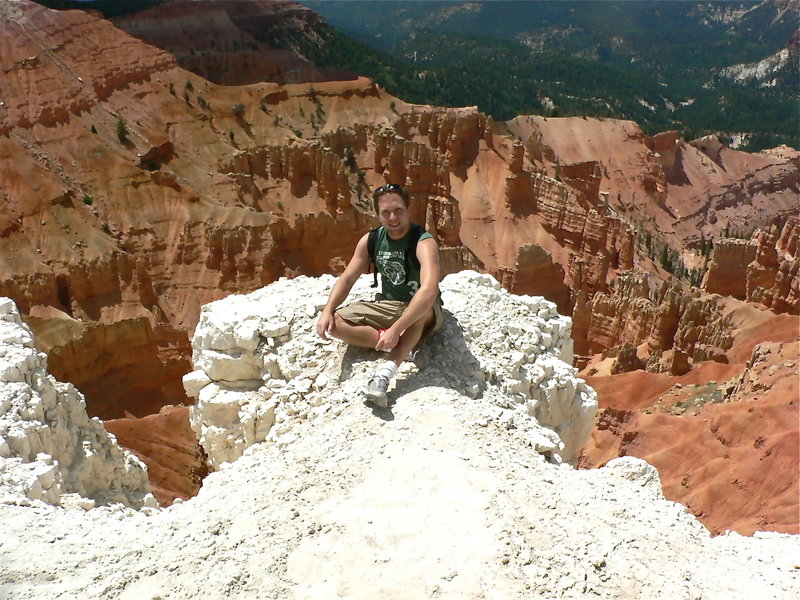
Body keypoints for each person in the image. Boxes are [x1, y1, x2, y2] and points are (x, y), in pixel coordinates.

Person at [316, 183, 443, 407]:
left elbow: (429, 290)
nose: (393, 217)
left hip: (422, 307)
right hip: (388, 305)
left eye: (398, 210)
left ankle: (384, 375)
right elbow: (347, 279)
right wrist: (327, 311)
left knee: (419, 313)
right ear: (378, 215)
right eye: (386, 212)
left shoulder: (423, 241)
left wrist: (396, 329)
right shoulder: (371, 240)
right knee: (334, 324)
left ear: (408, 210)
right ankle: (399, 343)